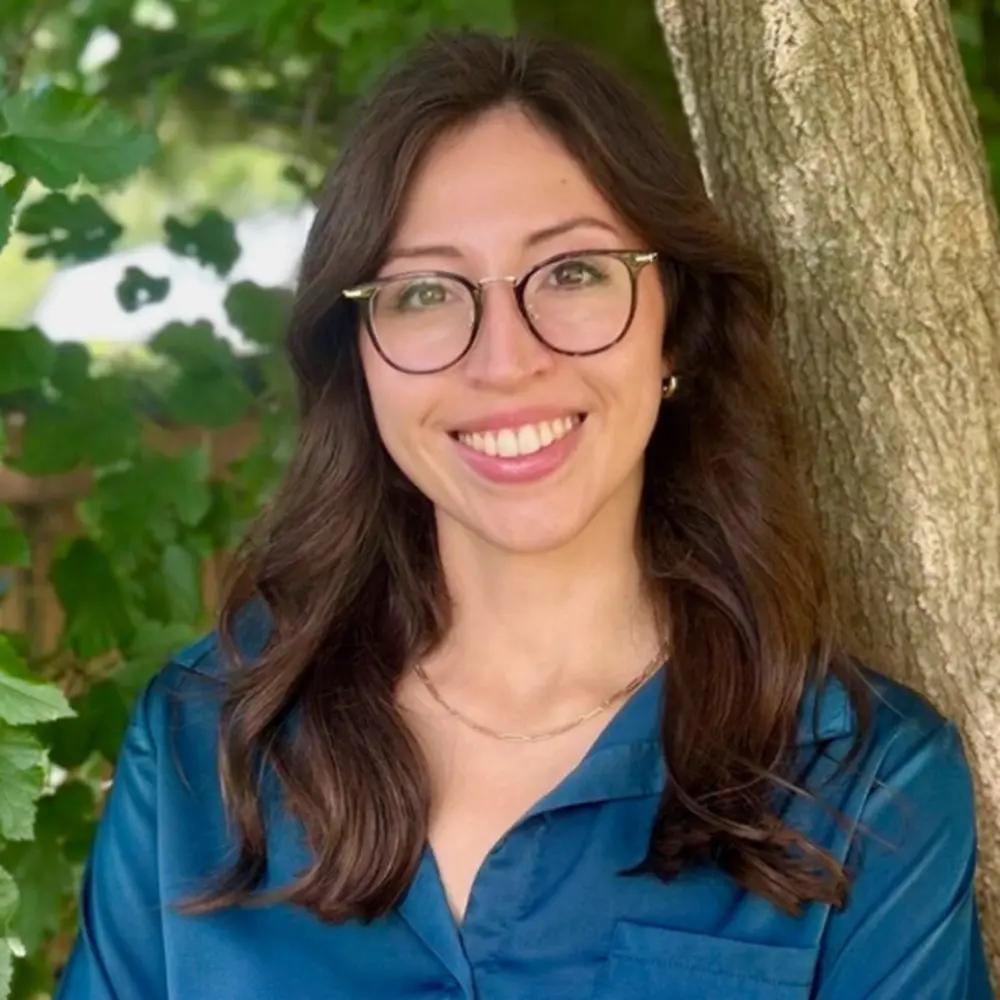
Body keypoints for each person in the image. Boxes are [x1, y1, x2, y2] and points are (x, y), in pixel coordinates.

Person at [56, 30, 991, 1000]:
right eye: (424, 291)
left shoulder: (865, 782)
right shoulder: (207, 740)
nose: (504, 361)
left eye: (573, 272)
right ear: (359, 357)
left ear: (673, 318)